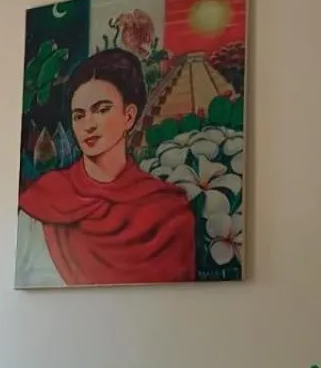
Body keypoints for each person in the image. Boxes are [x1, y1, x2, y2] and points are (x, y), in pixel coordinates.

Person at [16, 48, 196, 286]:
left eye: (101, 110)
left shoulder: (169, 211)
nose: (88, 124)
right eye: (79, 115)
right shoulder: (42, 202)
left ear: (129, 116)